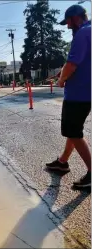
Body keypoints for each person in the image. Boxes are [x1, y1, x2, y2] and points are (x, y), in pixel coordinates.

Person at [46, 5, 91, 188]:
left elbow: (72, 65)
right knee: (74, 129)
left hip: (78, 93)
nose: (67, 27)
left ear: (75, 18)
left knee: (73, 130)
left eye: (68, 22)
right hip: (87, 91)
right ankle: (63, 162)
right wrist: (63, 73)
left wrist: (61, 80)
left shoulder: (82, 34)